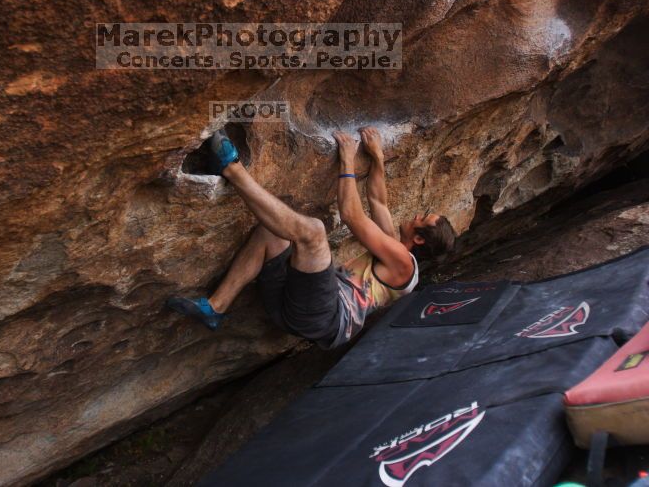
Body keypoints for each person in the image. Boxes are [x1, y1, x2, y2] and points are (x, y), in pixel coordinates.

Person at [166, 127, 456, 349]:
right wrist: (377, 157)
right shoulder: (394, 251)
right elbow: (378, 202)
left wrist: (347, 160)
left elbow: (353, 216)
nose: (417, 215)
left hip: (327, 316)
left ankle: (231, 167)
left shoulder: (404, 266)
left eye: (423, 219)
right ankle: (216, 307)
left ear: (419, 239)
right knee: (272, 231)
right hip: (296, 305)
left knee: (314, 233)